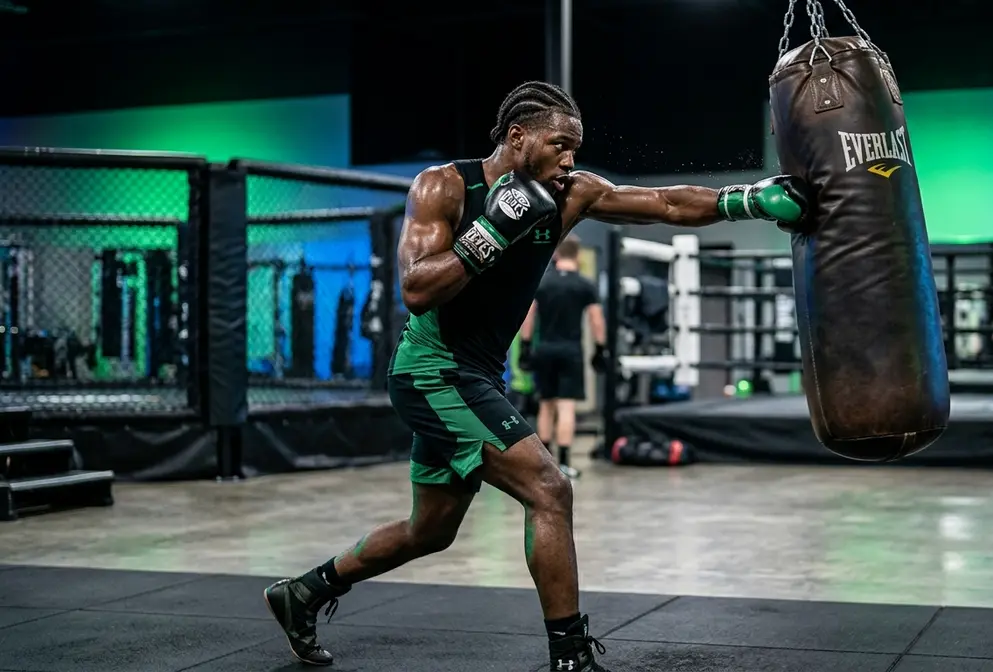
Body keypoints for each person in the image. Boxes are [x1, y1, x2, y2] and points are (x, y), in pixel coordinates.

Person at [262, 81, 809, 672]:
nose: (570, 159)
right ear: (517, 137)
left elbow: (665, 204)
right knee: (549, 488)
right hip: (432, 370)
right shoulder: (444, 186)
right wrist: (492, 231)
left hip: (479, 376)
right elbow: (417, 289)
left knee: (430, 531)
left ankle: (302, 593)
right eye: (559, 144)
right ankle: (570, 657)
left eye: (575, 147)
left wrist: (746, 201)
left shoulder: (570, 194)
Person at [518, 233, 606, 479]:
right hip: (571, 351)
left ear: (556, 253)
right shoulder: (584, 285)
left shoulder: (543, 282)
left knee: (546, 404)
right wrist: (600, 349)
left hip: (544, 349)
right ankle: (564, 463)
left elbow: (529, 315)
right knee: (566, 407)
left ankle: (544, 464)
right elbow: (596, 319)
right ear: (576, 255)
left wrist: (525, 346)